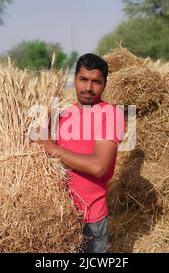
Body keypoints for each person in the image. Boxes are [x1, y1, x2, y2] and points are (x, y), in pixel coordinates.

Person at [36, 53, 125, 253]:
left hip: (90, 220)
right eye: (83, 79)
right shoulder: (62, 116)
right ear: (74, 79)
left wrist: (52, 148)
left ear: (105, 84)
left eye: (96, 82)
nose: (88, 87)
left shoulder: (112, 114)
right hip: (57, 217)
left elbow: (99, 167)